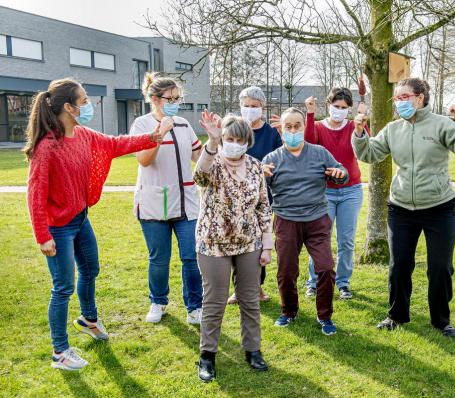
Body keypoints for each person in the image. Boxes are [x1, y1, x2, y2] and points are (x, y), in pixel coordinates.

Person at [25, 78, 164, 370]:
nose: (89, 105)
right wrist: (43, 236)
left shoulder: (84, 135)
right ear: (68, 107)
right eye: (84, 100)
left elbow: (115, 144)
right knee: (62, 287)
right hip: (57, 228)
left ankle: (88, 319)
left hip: (79, 218)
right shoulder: (47, 146)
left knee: (90, 269)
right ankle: (59, 352)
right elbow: (36, 194)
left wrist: (152, 137)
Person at [352, 78, 455, 337]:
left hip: (439, 207)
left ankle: (441, 320)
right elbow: (369, 154)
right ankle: (396, 316)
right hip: (401, 208)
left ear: (420, 98)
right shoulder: (392, 129)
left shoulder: (441, 124)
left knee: (440, 266)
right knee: (399, 265)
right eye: (397, 98)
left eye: (404, 97)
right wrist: (359, 133)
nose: (400, 102)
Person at [194, 111, 272, 382]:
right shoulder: (213, 161)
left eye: (239, 139)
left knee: (249, 300)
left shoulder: (254, 165)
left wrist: (267, 245)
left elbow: (263, 207)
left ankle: (253, 350)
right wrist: (212, 142)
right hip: (213, 244)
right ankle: (207, 356)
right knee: (214, 301)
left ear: (247, 141)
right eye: (229, 138)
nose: (234, 143)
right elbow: (200, 178)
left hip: (249, 243)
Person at [263, 107, 349, 336]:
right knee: (286, 271)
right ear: (281, 129)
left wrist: (340, 174)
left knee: (326, 268)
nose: (292, 130)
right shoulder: (271, 159)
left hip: (317, 220)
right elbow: (260, 192)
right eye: (288, 127)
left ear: (304, 127)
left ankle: (325, 316)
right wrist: (261, 176)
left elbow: (341, 172)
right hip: (286, 221)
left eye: (297, 126)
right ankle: (288, 311)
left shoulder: (320, 153)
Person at [131, 72, 203, 325]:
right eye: (169, 98)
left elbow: (199, 157)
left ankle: (195, 306)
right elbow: (144, 160)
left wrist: (215, 139)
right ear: (154, 98)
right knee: (159, 259)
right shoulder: (141, 124)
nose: (174, 102)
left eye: (177, 98)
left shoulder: (184, 124)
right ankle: (158, 302)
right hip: (154, 204)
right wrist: (159, 133)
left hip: (186, 203)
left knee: (191, 257)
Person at [303, 88, 368, 300]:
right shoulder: (319, 127)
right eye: (336, 106)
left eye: (343, 108)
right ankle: (314, 281)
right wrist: (310, 113)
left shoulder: (353, 126)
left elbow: (365, 146)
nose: (339, 111)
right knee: (321, 238)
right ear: (328, 105)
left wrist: (360, 127)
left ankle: (343, 282)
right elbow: (309, 144)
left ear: (349, 109)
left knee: (346, 240)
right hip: (325, 192)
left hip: (351, 190)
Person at [227, 86, 282, 305]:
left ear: (262, 107)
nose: (250, 110)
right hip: (233, 198)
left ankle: (257, 287)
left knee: (258, 246)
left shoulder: (271, 134)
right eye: (246, 106)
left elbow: (279, 160)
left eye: (254, 106)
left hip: (262, 198)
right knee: (235, 243)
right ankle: (238, 288)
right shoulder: (234, 131)